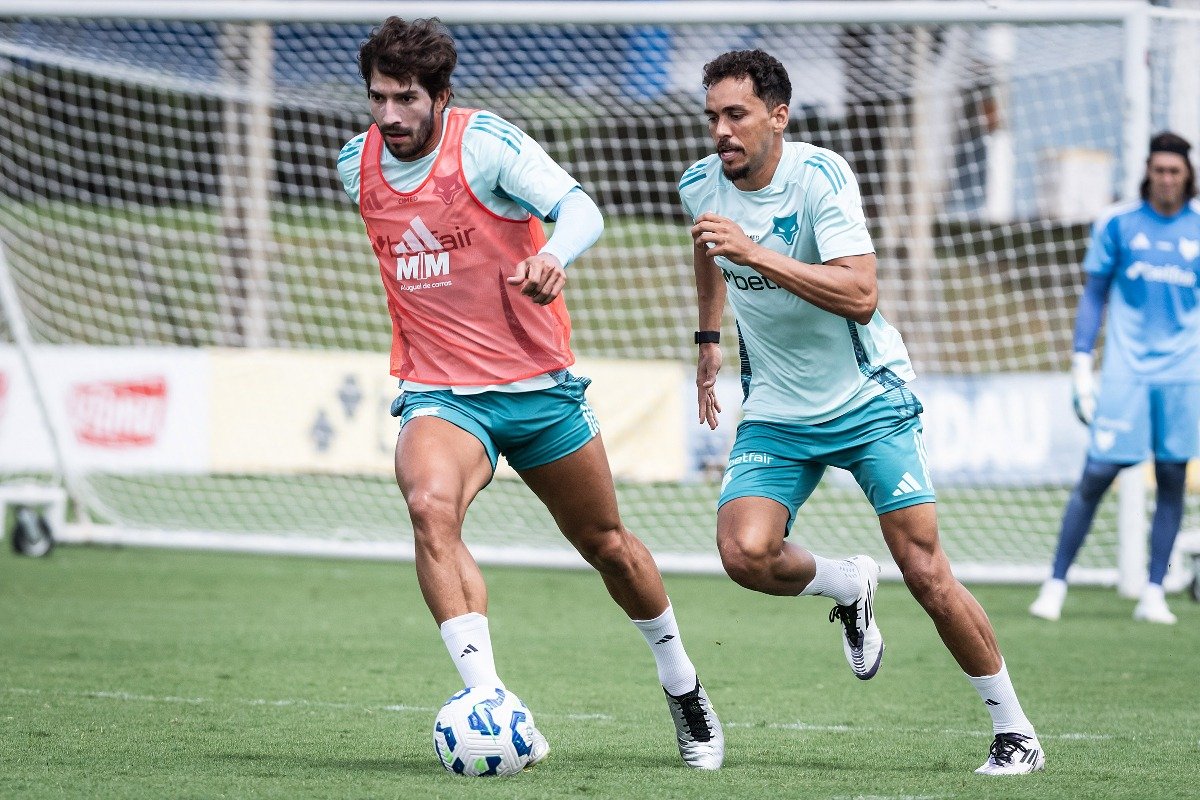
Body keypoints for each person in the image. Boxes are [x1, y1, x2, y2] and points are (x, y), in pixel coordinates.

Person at [337, 17, 723, 770]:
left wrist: (552, 255)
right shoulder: (356, 164)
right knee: (429, 508)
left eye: (406, 98)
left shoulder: (485, 144)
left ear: (440, 96)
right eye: (378, 97)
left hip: (539, 389)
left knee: (607, 546)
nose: (389, 114)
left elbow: (582, 209)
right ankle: (488, 698)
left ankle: (682, 684)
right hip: (443, 394)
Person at [679, 49, 1043, 775]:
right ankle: (846, 583)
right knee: (743, 553)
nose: (721, 131)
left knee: (925, 569)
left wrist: (756, 252)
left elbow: (861, 294)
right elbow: (709, 250)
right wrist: (709, 338)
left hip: (868, 398)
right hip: (778, 408)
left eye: (736, 115)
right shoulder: (700, 184)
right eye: (713, 115)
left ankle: (1015, 731)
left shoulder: (822, 178)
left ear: (778, 117)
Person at [1030, 131, 1200, 626]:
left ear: (1187, 175)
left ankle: (1153, 591)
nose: (1166, 178)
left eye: (1174, 171)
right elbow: (1094, 294)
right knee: (1097, 474)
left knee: (1172, 478)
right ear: (1148, 172)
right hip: (1127, 373)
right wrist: (1082, 362)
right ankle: (1055, 584)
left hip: (1182, 374)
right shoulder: (1118, 223)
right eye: (1159, 170)